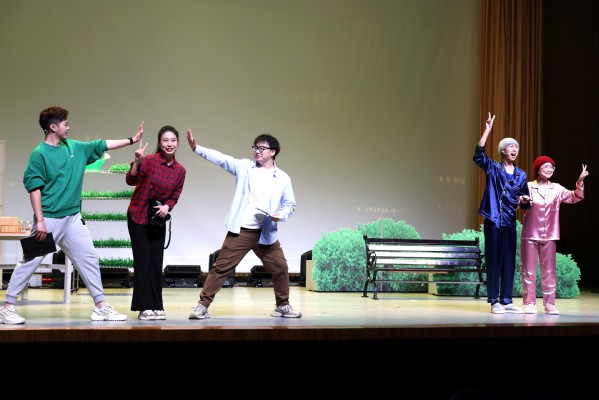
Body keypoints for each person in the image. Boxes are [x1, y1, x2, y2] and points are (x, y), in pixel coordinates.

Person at [0, 106, 144, 324]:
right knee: (30, 261)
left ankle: (100, 306)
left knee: (89, 259)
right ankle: (7, 307)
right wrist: (40, 221)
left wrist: (132, 140)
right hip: (49, 219)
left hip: (73, 219)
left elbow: (102, 144)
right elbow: (34, 188)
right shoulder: (39, 153)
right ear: (53, 127)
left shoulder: (74, 147)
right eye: (65, 123)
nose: (68, 127)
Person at [186, 130, 301, 319]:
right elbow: (221, 159)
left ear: (273, 152)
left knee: (280, 267)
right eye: (255, 147)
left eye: (262, 148)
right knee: (220, 268)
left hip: (266, 233)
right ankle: (202, 306)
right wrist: (196, 148)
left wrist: (280, 215)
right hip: (241, 231)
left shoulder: (282, 178)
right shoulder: (245, 167)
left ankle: (282, 306)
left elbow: (290, 204)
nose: (257, 151)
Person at [126, 126, 187, 320]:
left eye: (173, 140)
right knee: (143, 262)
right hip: (138, 215)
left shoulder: (180, 171)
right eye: (165, 140)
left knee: (156, 262)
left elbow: (175, 195)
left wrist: (167, 207)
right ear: (159, 143)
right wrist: (137, 163)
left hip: (157, 220)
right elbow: (131, 180)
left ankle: (156, 305)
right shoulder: (150, 161)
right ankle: (144, 307)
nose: (169, 144)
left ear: (178, 143)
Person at [473, 112, 531, 314]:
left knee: (509, 261)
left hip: (509, 221)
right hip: (493, 219)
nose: (515, 149)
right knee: (494, 260)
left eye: (517, 147)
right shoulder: (493, 168)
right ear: (502, 150)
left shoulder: (521, 174)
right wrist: (487, 130)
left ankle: (506, 300)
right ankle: (493, 301)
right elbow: (478, 156)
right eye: (511, 146)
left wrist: (524, 201)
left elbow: (524, 199)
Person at [520, 156, 588, 315]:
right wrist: (522, 200)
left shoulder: (557, 188)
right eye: (546, 166)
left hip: (550, 234)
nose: (550, 169)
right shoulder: (528, 186)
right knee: (529, 271)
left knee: (549, 271)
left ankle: (549, 304)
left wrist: (579, 182)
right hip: (530, 233)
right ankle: (529, 303)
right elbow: (517, 203)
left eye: (552, 167)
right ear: (538, 169)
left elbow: (575, 197)